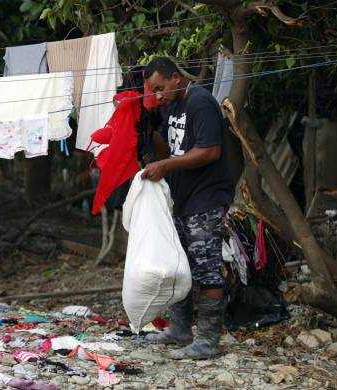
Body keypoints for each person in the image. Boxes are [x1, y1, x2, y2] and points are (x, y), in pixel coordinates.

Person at [141, 57, 235, 360]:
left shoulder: (200, 102)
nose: (157, 95)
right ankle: (179, 328)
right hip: (182, 198)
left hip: (206, 198)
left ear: (176, 78)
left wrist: (165, 165)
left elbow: (210, 151)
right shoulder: (172, 106)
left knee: (206, 269)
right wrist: (148, 131)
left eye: (160, 88)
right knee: (178, 265)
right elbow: (172, 149)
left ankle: (208, 341)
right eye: (153, 91)